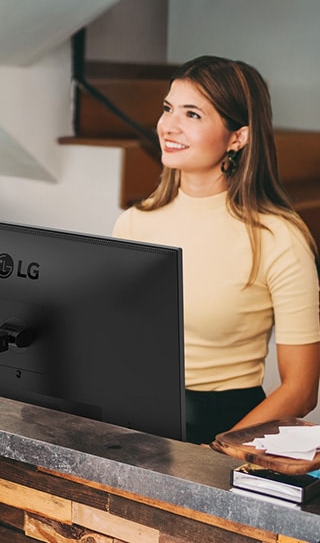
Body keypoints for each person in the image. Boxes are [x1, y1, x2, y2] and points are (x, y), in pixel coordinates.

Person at [112, 55, 320, 445]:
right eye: (168, 108)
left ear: (237, 137)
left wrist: (218, 450)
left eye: (192, 114)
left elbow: (303, 389)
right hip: (137, 420)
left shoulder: (279, 238)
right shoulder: (134, 222)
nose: (168, 126)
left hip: (228, 427)